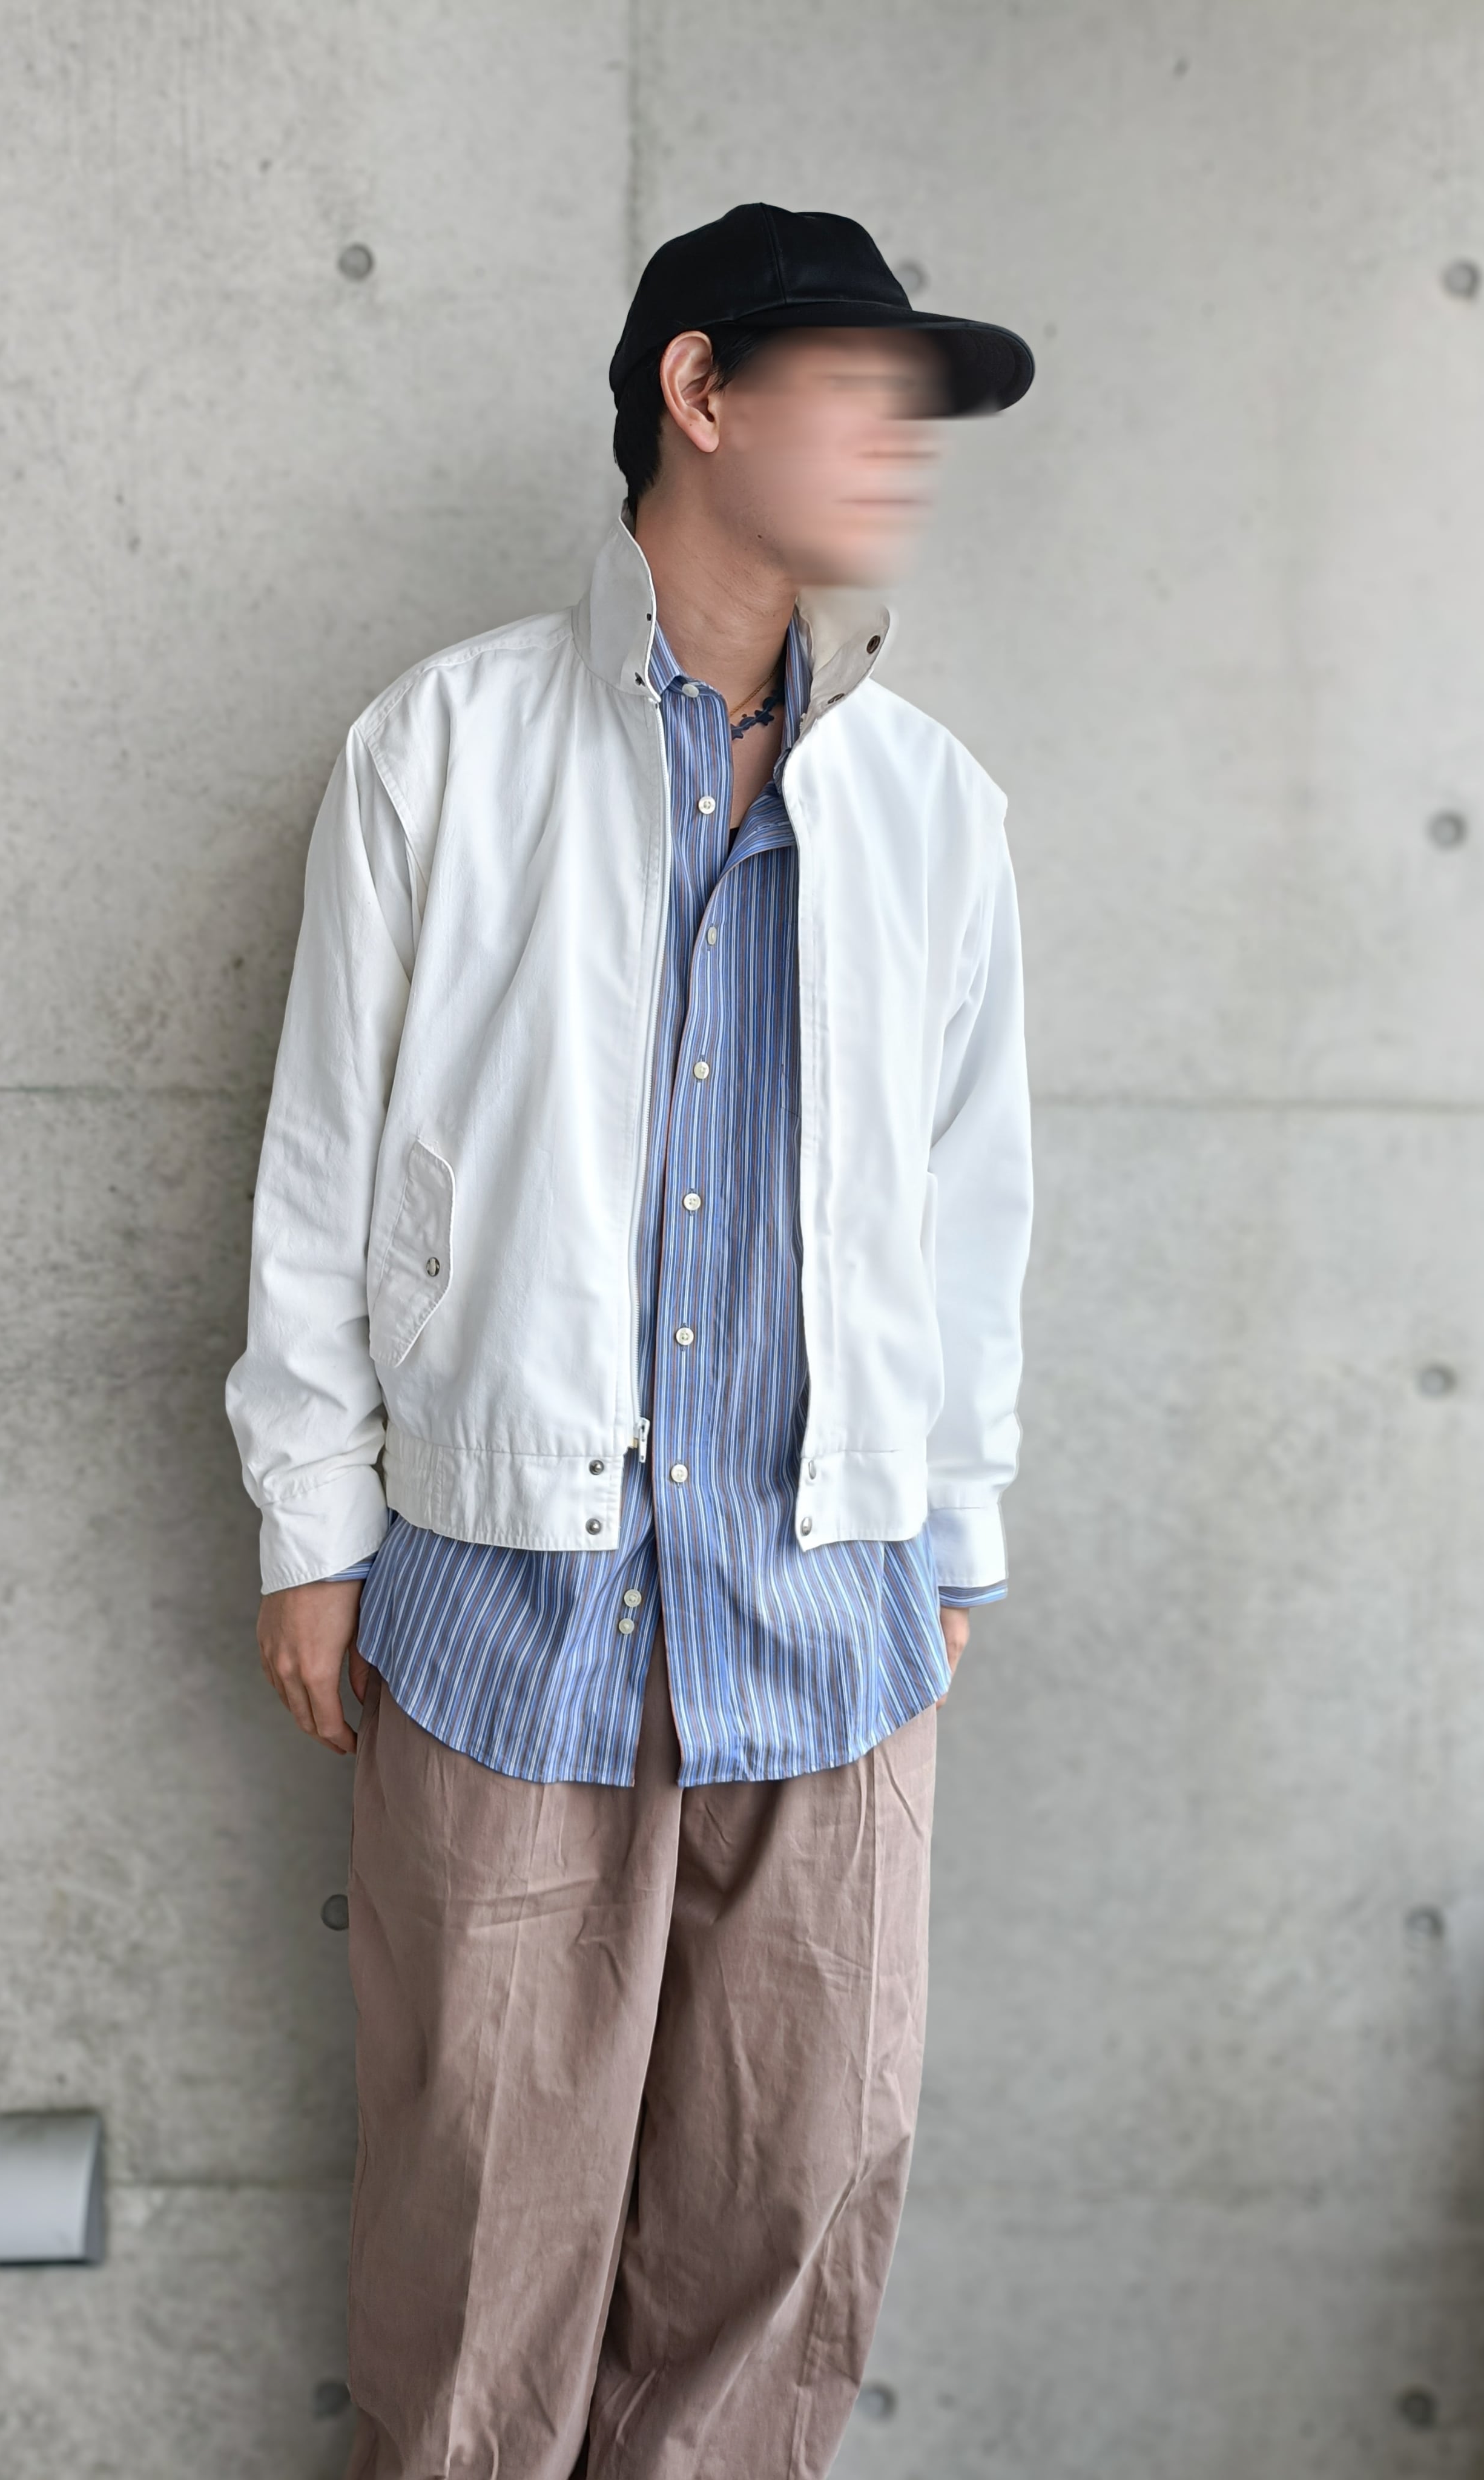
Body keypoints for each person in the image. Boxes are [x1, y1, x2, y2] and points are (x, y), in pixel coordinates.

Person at [225, 201, 1035, 2480]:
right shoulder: (443, 745)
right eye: (857, 396)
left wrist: (952, 1536)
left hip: (836, 1611)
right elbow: (324, 1157)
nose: (901, 453)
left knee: (788, 2220)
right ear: (699, 394)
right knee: (482, 2236)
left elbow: (972, 1205)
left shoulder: (934, 804)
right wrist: (312, 1519)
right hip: (504, 1593)